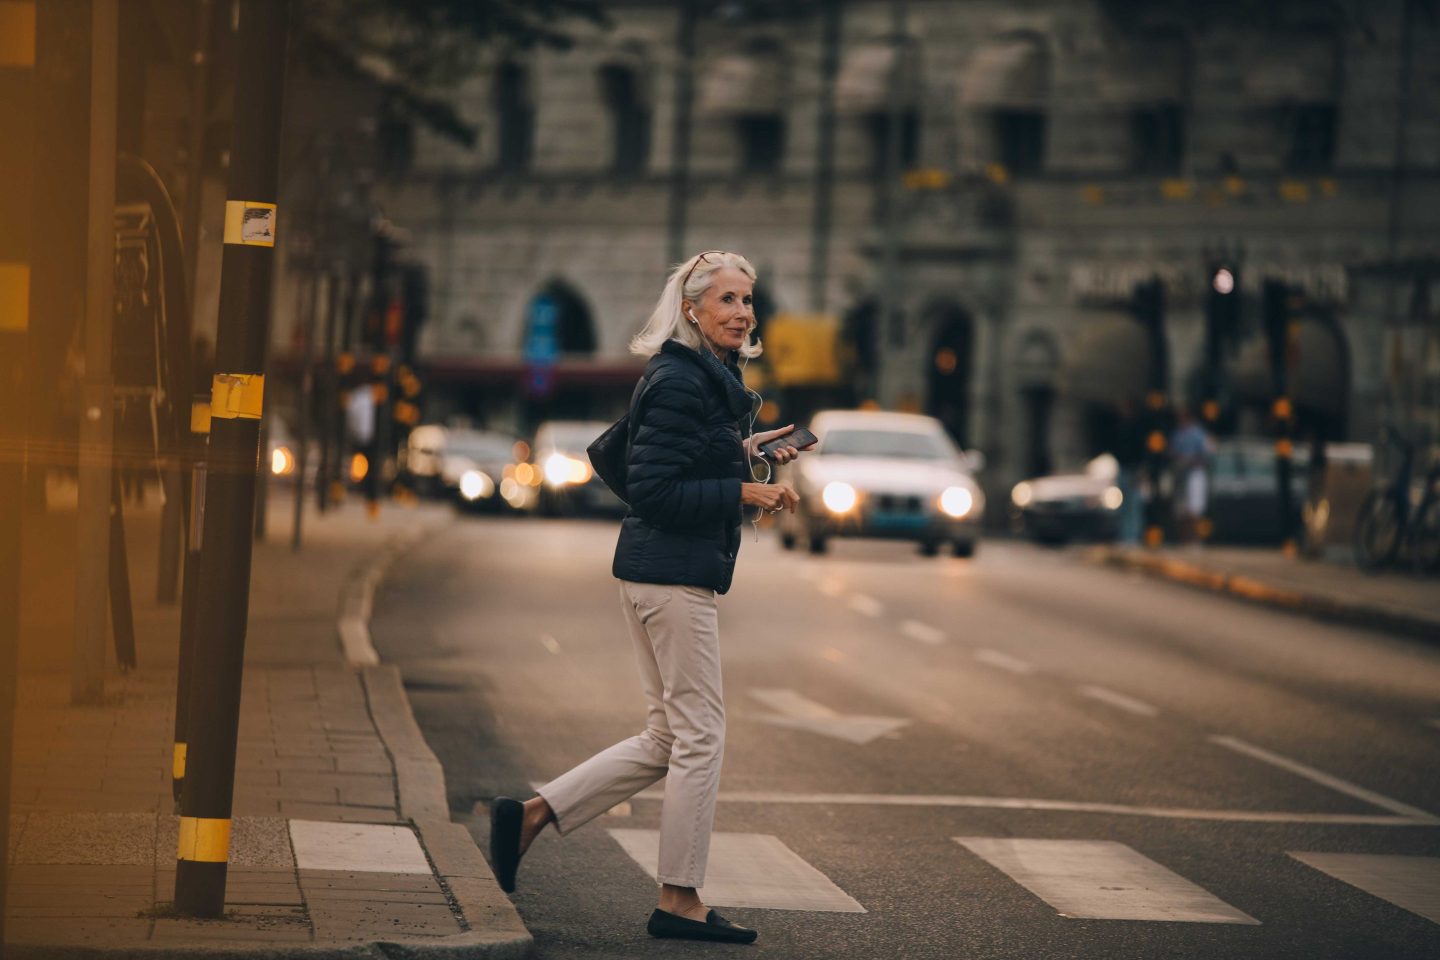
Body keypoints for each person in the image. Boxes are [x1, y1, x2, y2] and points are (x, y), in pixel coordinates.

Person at [489, 251, 802, 945]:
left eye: (747, 300)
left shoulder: (705, 377)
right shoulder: (679, 380)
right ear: (692, 309)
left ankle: (533, 815)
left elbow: (680, 461)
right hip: (670, 577)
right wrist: (746, 490)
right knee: (701, 737)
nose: (742, 312)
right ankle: (679, 898)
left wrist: (748, 450)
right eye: (726, 299)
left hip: (663, 572)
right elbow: (655, 489)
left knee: (668, 736)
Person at [1170, 406, 1214, 545]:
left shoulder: (1199, 434)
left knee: (1194, 509)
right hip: (1180, 474)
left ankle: (1195, 540)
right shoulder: (1177, 434)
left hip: (1194, 473)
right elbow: (1171, 451)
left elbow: (1207, 454)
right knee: (1181, 510)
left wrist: (1192, 461)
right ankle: (1184, 540)